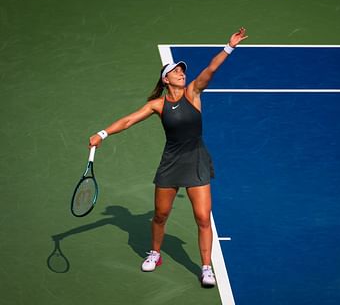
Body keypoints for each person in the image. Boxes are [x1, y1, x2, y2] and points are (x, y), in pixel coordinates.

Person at [88, 28, 248, 287]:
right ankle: (155, 253)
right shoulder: (158, 105)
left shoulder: (193, 92)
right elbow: (129, 120)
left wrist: (229, 47)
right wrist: (102, 133)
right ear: (166, 80)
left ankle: (206, 268)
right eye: (176, 71)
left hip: (196, 161)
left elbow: (211, 69)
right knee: (161, 215)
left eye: (182, 70)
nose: (181, 73)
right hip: (171, 164)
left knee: (203, 217)